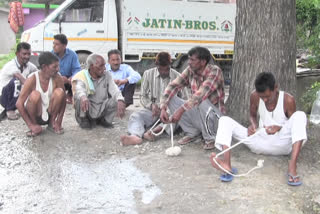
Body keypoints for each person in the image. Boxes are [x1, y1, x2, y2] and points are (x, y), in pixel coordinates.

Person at [210, 72, 307, 186]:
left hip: (281, 144)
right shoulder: (255, 96)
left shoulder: (288, 100)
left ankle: (292, 167)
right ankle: (227, 164)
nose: (264, 100)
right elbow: (252, 115)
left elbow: (294, 126)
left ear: (276, 88)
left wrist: (279, 127)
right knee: (225, 120)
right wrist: (253, 126)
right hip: (259, 140)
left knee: (300, 115)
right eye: (262, 97)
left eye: (267, 96)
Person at [160, 46, 225, 150]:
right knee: (171, 99)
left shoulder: (215, 71)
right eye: (189, 59)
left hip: (216, 120)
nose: (189, 62)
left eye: (192, 60)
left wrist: (180, 110)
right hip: (199, 114)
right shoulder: (190, 70)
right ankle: (193, 132)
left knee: (202, 101)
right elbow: (173, 86)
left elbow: (200, 95)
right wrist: (163, 107)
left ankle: (211, 138)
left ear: (203, 62)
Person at [121, 52, 188, 145]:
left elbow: (184, 100)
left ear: (170, 65)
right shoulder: (148, 74)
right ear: (156, 65)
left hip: (170, 112)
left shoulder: (177, 76)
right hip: (153, 111)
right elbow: (143, 96)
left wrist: (171, 110)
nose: (164, 72)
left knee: (177, 118)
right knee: (135, 116)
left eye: (166, 69)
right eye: (161, 69)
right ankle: (135, 136)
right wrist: (151, 105)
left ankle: (153, 133)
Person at [16, 52, 66, 137]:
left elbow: (63, 100)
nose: (58, 69)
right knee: (35, 95)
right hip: (36, 115)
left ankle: (52, 123)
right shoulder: (32, 78)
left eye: (58, 66)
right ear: (44, 67)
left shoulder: (58, 77)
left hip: (50, 113)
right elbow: (19, 103)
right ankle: (35, 125)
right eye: (54, 67)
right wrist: (31, 125)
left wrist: (59, 121)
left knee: (60, 92)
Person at [72, 53, 126, 129]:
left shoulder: (107, 74)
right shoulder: (82, 75)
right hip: (88, 107)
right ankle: (83, 119)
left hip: (102, 107)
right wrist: (83, 96)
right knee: (78, 97)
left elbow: (114, 89)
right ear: (92, 66)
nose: (104, 68)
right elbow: (79, 88)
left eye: (104, 65)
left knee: (117, 99)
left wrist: (120, 100)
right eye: (101, 66)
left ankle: (105, 120)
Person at [0, 42, 38, 120]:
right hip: (4, 97)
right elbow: (23, 80)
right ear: (17, 53)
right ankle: (10, 109)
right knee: (16, 81)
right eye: (24, 54)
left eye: (28, 54)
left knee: (34, 77)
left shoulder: (28, 65)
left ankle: (18, 107)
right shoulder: (11, 65)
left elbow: (38, 72)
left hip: (16, 96)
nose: (27, 56)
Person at [52, 34, 81, 104]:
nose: (54, 46)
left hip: (68, 79)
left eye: (57, 44)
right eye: (53, 43)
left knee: (78, 78)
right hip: (56, 78)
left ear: (64, 46)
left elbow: (77, 69)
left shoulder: (72, 54)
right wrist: (58, 78)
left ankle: (70, 95)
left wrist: (70, 79)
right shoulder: (51, 55)